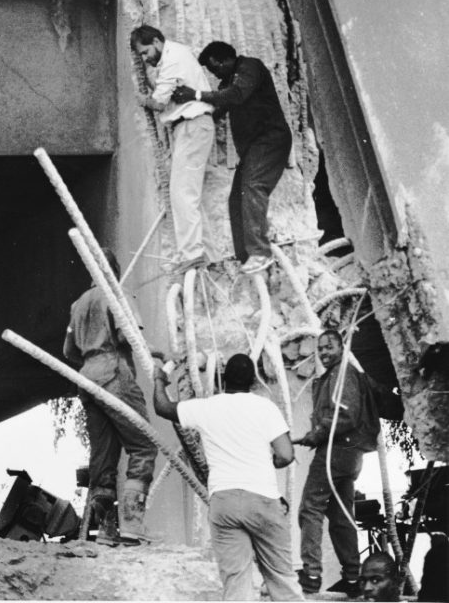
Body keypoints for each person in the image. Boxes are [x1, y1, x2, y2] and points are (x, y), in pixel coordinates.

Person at [153, 351, 304, 602]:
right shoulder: (266, 407)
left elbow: (162, 407)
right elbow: (286, 455)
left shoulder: (208, 407)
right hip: (264, 501)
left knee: (236, 583)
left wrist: (160, 379)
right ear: (253, 380)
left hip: (224, 503)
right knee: (283, 581)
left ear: (223, 378)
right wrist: (270, 462)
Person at [62, 248, 158, 546]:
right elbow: (129, 336)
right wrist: (155, 354)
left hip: (87, 380)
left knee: (103, 459)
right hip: (115, 375)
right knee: (143, 446)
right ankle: (131, 527)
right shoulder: (116, 294)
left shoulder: (78, 304)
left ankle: (105, 529)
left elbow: (68, 352)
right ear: (114, 271)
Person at [172, 40, 291, 275]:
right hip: (253, 149)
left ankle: (260, 252)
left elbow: (236, 95)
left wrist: (195, 94)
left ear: (225, 59)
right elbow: (219, 108)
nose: (215, 73)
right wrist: (187, 120)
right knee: (236, 199)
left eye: (215, 67)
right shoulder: (228, 83)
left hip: (270, 140)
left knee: (253, 186)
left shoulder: (249, 68)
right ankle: (245, 256)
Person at [294, 329, 380, 598]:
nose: (324, 352)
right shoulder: (337, 374)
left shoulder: (342, 373)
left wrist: (317, 434)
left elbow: (346, 414)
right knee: (342, 515)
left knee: (310, 507)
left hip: (335, 450)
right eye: (320, 348)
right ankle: (353, 578)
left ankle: (310, 574)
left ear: (342, 347)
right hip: (350, 455)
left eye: (329, 346)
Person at [130, 24, 217, 272]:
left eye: (146, 52)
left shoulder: (173, 58)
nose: (146, 58)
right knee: (187, 193)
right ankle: (206, 254)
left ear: (157, 41)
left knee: (182, 193)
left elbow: (158, 102)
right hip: (189, 128)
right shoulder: (174, 56)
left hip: (192, 125)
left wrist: (143, 99)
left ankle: (192, 255)